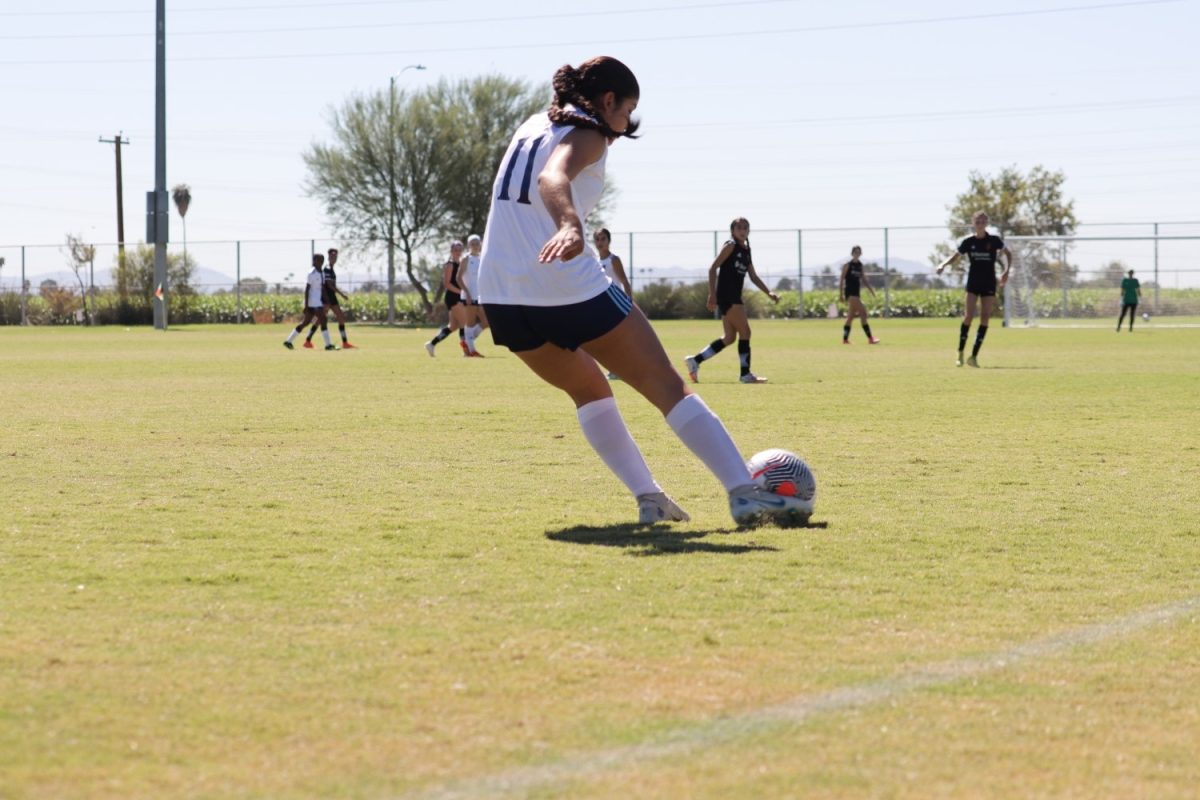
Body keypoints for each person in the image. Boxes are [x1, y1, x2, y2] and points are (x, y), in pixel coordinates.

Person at [476, 56, 807, 528]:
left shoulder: (531, 125)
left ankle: (649, 497)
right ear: (607, 101)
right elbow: (553, 178)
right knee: (667, 385)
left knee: (589, 389)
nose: (626, 122)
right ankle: (743, 491)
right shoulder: (588, 133)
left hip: (500, 295)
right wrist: (570, 225)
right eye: (626, 109)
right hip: (563, 283)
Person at [684, 217, 779, 384]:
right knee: (746, 332)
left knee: (729, 337)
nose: (743, 231)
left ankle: (695, 361)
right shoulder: (730, 246)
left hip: (732, 296)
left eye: (746, 228)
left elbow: (754, 277)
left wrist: (769, 292)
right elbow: (713, 268)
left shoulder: (746, 250)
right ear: (733, 231)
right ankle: (745, 374)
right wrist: (712, 294)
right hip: (728, 296)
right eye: (739, 228)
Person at [936, 211, 1013, 367]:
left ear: (987, 223)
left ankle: (974, 356)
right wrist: (943, 264)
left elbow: (1008, 254)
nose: (980, 224)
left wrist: (1006, 271)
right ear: (973, 223)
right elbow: (955, 256)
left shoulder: (994, 240)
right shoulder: (968, 241)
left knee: (985, 317)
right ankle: (960, 353)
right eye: (978, 221)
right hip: (973, 282)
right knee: (969, 316)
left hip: (989, 282)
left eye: (983, 221)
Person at [594, 227, 632, 380]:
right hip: (601, 304)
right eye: (597, 239)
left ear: (609, 241)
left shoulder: (613, 260)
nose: (600, 242)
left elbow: (624, 282)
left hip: (615, 303)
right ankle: (614, 369)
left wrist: (629, 302)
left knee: (615, 338)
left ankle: (619, 369)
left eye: (603, 239)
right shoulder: (595, 262)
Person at [424, 241, 471, 357]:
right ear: (451, 251)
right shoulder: (449, 265)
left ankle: (431, 344)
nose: (458, 252)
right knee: (464, 324)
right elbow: (447, 284)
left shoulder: (461, 264)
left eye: (460, 250)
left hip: (458, 296)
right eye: (455, 250)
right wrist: (461, 292)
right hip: (453, 297)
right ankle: (466, 351)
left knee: (453, 326)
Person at [304, 247, 356, 349]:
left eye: (335, 256)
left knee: (340, 317)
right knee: (320, 320)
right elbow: (329, 285)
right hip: (326, 298)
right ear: (328, 257)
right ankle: (307, 340)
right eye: (332, 256)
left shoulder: (331, 268)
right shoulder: (327, 268)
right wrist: (342, 294)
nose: (334, 258)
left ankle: (345, 342)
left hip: (332, 297)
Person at [283, 254, 336, 350]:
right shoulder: (311, 273)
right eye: (316, 260)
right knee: (323, 320)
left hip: (317, 301)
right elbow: (307, 289)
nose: (316, 262)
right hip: (313, 302)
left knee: (305, 323)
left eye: (318, 260)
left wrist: (327, 299)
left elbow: (322, 288)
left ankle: (288, 341)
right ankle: (328, 345)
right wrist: (306, 305)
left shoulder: (322, 273)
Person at [839, 245, 879, 344]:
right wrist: (841, 294)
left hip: (857, 293)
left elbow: (864, 279)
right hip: (850, 293)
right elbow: (841, 280)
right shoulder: (847, 265)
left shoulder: (860, 265)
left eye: (859, 252)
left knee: (850, 317)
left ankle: (845, 339)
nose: (857, 254)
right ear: (852, 253)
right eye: (855, 252)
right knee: (863, 313)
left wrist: (871, 290)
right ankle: (870, 338)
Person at [457, 234, 488, 357]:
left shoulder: (482, 258)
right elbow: (458, 278)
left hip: (480, 296)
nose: (475, 246)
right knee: (470, 322)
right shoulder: (466, 259)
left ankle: (466, 342)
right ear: (469, 245)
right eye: (473, 243)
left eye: (477, 243)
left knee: (487, 321)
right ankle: (471, 350)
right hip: (469, 296)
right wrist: (467, 293)